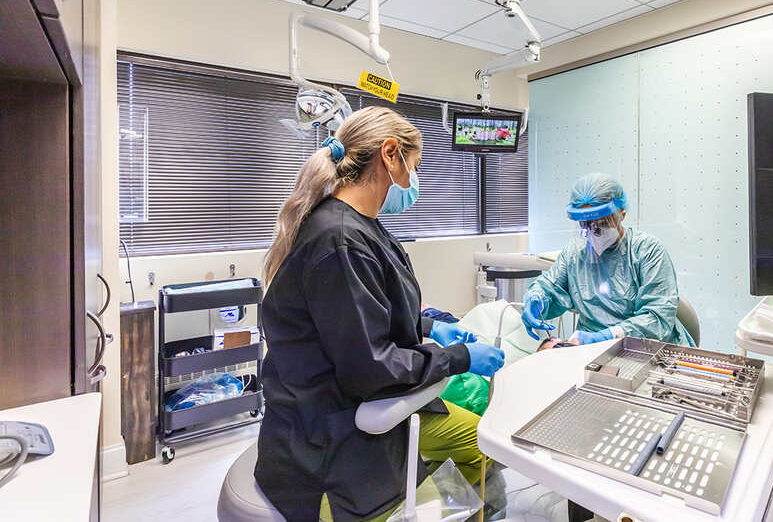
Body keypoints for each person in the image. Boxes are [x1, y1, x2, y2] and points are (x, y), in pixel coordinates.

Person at [255, 106, 506, 522]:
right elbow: (370, 367)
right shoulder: (339, 241)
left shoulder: (363, 227)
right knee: (455, 486)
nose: (413, 182)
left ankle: (465, 505)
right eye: (414, 167)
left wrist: (431, 328)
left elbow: (368, 312)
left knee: (484, 443)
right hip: (332, 443)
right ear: (390, 154)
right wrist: (458, 359)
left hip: (368, 411)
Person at [521, 173, 694, 347]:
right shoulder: (575, 253)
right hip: (590, 352)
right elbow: (550, 287)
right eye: (585, 223)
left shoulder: (647, 250)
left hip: (648, 349)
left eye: (601, 222)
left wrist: (610, 335)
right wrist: (537, 299)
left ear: (622, 215)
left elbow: (658, 317)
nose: (592, 230)